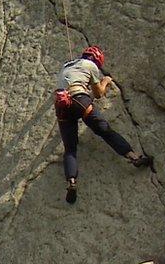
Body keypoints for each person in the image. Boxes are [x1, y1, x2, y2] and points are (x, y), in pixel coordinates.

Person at [55, 45, 152, 204]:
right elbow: (99, 93)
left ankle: (71, 182)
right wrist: (105, 80)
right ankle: (134, 157)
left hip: (62, 105)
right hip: (80, 100)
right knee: (105, 131)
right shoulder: (91, 66)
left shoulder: (66, 66)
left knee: (70, 149)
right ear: (97, 61)